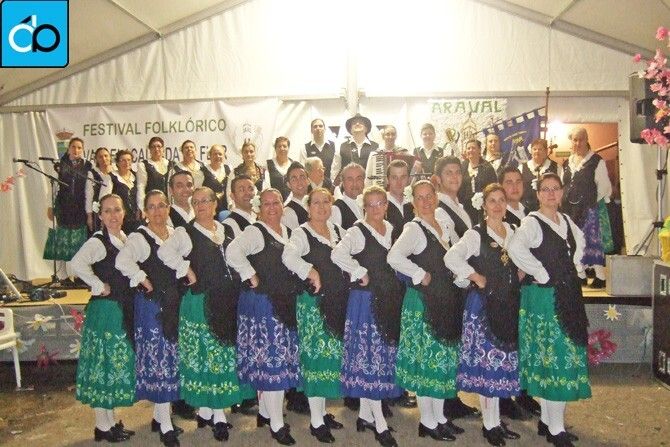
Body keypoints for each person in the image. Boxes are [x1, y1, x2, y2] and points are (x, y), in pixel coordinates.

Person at [508, 173, 591, 447]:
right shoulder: (532, 222)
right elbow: (515, 248)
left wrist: (576, 268)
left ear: (562, 192)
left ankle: (547, 421)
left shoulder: (566, 221)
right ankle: (556, 429)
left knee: (558, 357)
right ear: (538, 194)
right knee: (553, 358)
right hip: (544, 299)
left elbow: (579, 245)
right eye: (545, 189)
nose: (551, 194)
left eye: (555, 188)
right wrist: (540, 271)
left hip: (567, 295)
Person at [158, 187, 242, 443]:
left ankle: (206, 411)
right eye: (196, 202)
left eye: (206, 200)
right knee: (208, 356)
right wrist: (186, 269)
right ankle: (218, 416)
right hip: (200, 304)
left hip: (226, 301)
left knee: (221, 356)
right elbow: (164, 252)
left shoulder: (227, 229)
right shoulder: (185, 232)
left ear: (216, 204)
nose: (201, 205)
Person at [444, 183, 523, 446]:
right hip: (483, 308)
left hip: (507, 305)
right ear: (484, 205)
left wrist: (521, 272)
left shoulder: (513, 231)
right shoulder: (475, 235)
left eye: (501, 200)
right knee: (488, 367)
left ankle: (496, 421)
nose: (498, 205)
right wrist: (476, 276)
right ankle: (489, 426)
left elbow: (525, 257)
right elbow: (451, 258)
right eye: (492, 201)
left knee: (501, 366)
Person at [388, 180, 464, 442]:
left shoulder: (443, 224)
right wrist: (419, 273)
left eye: (429, 196)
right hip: (422, 304)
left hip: (444, 301)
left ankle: (440, 418)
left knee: (440, 363)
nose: (425, 201)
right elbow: (394, 257)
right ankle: (428, 422)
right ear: (413, 203)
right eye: (419, 198)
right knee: (426, 364)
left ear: (436, 197)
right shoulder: (414, 229)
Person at [227, 188, 301, 446]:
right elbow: (232, 252)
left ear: (283, 205)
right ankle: (277, 424)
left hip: (283, 303)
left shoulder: (289, 232)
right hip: (262, 305)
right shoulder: (255, 231)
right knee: (272, 363)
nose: (272, 208)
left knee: (274, 361)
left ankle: (266, 413)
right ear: (259, 208)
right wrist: (250, 274)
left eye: (276, 202)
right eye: (266, 204)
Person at [331, 185, 404, 447]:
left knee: (380, 357)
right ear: (364, 207)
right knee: (369, 360)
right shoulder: (357, 231)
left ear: (386, 205)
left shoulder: (391, 229)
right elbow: (337, 254)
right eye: (370, 205)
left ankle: (364, 415)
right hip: (365, 302)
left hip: (388, 300)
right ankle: (379, 424)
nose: (375, 209)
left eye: (380, 203)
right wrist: (358, 271)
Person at [282, 188, 348, 443]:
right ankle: (316, 421)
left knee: (330, 361)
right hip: (314, 306)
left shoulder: (338, 231)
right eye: (316, 203)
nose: (321, 207)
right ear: (308, 207)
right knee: (316, 361)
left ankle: (322, 412)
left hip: (337, 303)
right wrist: (310, 270)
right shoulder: (301, 233)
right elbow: (288, 256)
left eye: (326, 201)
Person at [116, 190, 181, 447]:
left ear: (168, 208)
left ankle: (159, 416)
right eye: (151, 207)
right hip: (152, 306)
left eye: (161, 205)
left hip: (172, 304)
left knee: (171, 359)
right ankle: (165, 425)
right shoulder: (139, 237)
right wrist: (142, 278)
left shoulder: (174, 233)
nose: (157, 211)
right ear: (144, 212)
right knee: (160, 362)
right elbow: (122, 261)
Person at [70, 193, 136, 443]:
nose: (113, 215)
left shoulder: (124, 238)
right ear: (100, 215)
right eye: (107, 211)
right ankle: (102, 425)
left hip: (120, 309)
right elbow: (76, 264)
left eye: (117, 210)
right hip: (105, 312)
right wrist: (98, 285)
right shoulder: (98, 242)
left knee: (113, 367)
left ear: (124, 213)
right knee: (103, 367)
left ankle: (109, 422)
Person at [498, 166, 542, 420]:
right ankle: (504, 398)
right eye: (508, 182)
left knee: (525, 340)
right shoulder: (499, 214)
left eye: (518, 182)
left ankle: (524, 392)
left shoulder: (530, 214)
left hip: (530, 286)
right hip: (509, 286)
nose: (514, 186)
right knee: (508, 340)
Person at [561, 127, 612, 289]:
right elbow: (563, 185)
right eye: (574, 140)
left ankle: (600, 276)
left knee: (592, 242)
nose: (577, 143)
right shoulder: (567, 163)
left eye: (580, 139)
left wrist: (590, 203)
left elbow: (604, 187)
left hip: (589, 209)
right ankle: (580, 274)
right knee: (573, 242)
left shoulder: (596, 161)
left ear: (587, 140)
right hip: (569, 210)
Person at [45, 137, 92, 284]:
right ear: (68, 148)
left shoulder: (88, 166)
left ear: (82, 150)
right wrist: (50, 206)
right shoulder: (59, 165)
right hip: (63, 208)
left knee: (79, 243)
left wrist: (89, 212)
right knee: (62, 242)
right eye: (73, 147)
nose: (76, 150)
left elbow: (88, 190)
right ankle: (63, 276)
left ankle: (79, 275)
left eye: (79, 147)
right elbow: (53, 187)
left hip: (79, 209)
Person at [459, 139, 498, 225]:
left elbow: (494, 188)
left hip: (483, 209)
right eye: (468, 148)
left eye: (473, 148)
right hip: (465, 208)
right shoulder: (462, 167)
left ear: (479, 150)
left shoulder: (487, 168)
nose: (470, 150)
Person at [433, 156, 472, 239]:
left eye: (458, 172)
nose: (455, 177)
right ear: (438, 179)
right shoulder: (437, 209)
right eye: (449, 173)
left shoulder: (459, 206)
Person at [519, 138, 561, 212]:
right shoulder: (521, 168)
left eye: (540, 149)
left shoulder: (556, 167)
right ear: (531, 151)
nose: (537, 151)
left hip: (549, 209)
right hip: (526, 210)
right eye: (534, 149)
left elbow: (561, 189)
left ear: (546, 151)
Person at [136, 137, 174, 211]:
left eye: (159, 146)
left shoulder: (171, 164)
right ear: (149, 150)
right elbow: (141, 187)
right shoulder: (143, 165)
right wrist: (143, 207)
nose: (156, 149)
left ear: (163, 149)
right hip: (152, 207)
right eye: (153, 147)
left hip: (169, 207)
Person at [338, 114, 378, 182]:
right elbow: (336, 170)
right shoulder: (342, 146)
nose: (357, 124)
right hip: (348, 186)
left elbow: (378, 170)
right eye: (354, 123)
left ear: (366, 128)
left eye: (361, 122)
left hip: (369, 186)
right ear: (350, 130)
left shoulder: (376, 147)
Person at [111, 149, 142, 234]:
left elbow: (141, 195)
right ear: (117, 163)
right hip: (119, 220)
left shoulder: (136, 176)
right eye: (123, 160)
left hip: (137, 218)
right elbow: (105, 199)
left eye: (129, 160)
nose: (126, 162)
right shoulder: (111, 177)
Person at [86, 147, 114, 233]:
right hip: (97, 212)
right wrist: (89, 216)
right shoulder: (92, 173)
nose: (104, 159)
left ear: (110, 157)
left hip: (114, 211)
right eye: (100, 157)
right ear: (96, 159)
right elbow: (89, 196)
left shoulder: (115, 172)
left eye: (106, 156)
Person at [301, 118, 340, 182]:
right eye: (315, 126)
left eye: (321, 126)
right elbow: (304, 169)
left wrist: (331, 182)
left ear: (324, 129)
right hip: (312, 184)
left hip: (330, 184)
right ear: (311, 130)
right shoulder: (305, 148)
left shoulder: (334, 146)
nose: (318, 128)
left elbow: (336, 168)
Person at [384, 159, 414, 242]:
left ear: (408, 179)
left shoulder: (414, 205)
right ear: (387, 179)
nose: (399, 182)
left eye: (403, 177)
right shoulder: (380, 205)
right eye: (394, 177)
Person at [222, 174, 257, 243]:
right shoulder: (229, 225)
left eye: (251, 189)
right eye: (241, 190)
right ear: (232, 196)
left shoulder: (257, 218)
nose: (247, 193)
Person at [330, 163, 364, 229]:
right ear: (343, 183)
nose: (355, 184)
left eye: (359, 179)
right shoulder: (336, 209)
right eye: (350, 179)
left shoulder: (367, 205)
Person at [202, 144, 231, 216]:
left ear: (224, 156)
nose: (218, 156)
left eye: (220, 154)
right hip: (209, 211)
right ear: (210, 155)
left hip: (226, 210)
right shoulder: (202, 172)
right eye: (215, 154)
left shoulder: (228, 169)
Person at [281, 162, 310, 230]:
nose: (299, 182)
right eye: (294, 179)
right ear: (288, 184)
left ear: (308, 181)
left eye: (302, 177)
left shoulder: (316, 204)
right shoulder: (287, 213)